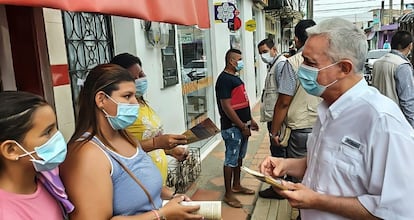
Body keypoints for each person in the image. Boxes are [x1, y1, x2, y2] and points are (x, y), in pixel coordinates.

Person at [260, 17, 414, 219]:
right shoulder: (327, 108)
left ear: (344, 68)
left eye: (310, 63)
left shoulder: (382, 122)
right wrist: (286, 165)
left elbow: (397, 210)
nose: (302, 69)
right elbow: (322, 163)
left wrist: (316, 201)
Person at [60, 64, 203, 219]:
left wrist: (173, 198)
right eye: (127, 96)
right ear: (101, 99)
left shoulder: (124, 136)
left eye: (135, 96)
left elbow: (141, 184)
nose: (135, 103)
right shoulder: (87, 154)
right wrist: (162, 214)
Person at [111, 53, 189, 185]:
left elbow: (150, 139)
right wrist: (156, 143)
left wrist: (170, 150)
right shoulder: (121, 112)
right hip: (138, 182)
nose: (139, 80)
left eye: (141, 75)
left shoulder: (142, 103)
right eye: (132, 78)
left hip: (157, 182)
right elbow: (116, 150)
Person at [265, 20, 320, 199]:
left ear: (296, 39)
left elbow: (283, 102)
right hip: (320, 124)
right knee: (316, 171)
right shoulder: (325, 59)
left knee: (300, 176)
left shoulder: (294, 63)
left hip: (300, 127)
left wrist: (274, 132)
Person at [0, 91, 74, 219]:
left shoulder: (48, 178)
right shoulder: (6, 213)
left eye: (55, 128)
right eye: (48, 132)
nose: (58, 136)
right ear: (11, 150)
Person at [215, 48, 259, 208]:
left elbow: (241, 102)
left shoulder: (234, 78)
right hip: (233, 129)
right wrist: (241, 126)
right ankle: (228, 194)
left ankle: (237, 184)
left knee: (239, 158)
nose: (241, 62)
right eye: (239, 59)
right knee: (231, 160)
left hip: (242, 126)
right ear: (231, 61)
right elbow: (226, 107)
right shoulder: (224, 80)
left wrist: (250, 120)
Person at [257, 38, 287, 199]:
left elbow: (284, 97)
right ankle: (278, 186)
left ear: (273, 49)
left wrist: (276, 127)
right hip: (274, 117)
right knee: (277, 152)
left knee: (277, 154)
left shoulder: (280, 65)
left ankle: (278, 189)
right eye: (260, 53)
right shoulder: (273, 65)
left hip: (278, 119)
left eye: (264, 51)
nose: (263, 55)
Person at [371, 30, 414, 128]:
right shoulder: (402, 65)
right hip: (396, 120)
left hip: (379, 117)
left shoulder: (378, 62)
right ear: (410, 46)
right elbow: (407, 101)